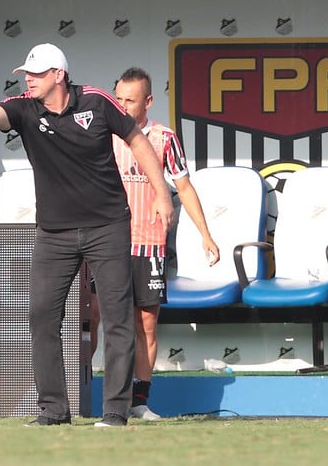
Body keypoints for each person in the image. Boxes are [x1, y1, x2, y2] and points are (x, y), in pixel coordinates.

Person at [0, 43, 174, 427]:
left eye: (36, 73)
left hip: (108, 224)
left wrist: (162, 194)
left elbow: (137, 141)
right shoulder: (23, 108)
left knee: (116, 317)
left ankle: (116, 411)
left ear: (58, 75)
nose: (27, 79)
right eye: (26, 74)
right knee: (42, 316)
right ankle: (53, 410)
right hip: (55, 232)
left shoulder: (97, 102)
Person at [90, 67, 219, 420]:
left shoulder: (164, 138)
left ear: (147, 102)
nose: (121, 106)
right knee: (93, 318)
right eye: (117, 98)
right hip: (106, 243)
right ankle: (82, 392)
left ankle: (139, 401)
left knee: (145, 323)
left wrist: (206, 235)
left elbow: (185, 188)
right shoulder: (102, 134)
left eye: (129, 101)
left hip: (148, 245)